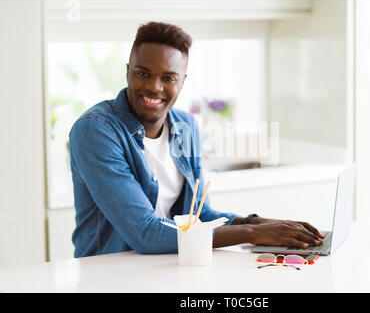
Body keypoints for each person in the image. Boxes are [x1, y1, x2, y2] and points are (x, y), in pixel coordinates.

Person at [69, 21, 324, 258]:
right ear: (128, 72)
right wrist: (252, 233)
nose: (155, 87)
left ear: (182, 82)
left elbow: (199, 215)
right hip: (107, 277)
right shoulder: (96, 131)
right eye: (143, 74)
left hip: (166, 271)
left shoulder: (186, 126)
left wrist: (261, 223)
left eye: (168, 78)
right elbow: (144, 233)